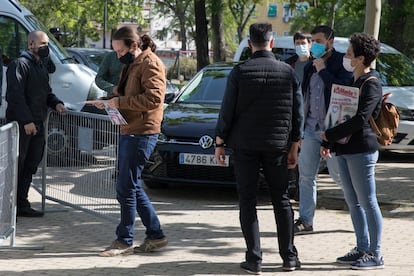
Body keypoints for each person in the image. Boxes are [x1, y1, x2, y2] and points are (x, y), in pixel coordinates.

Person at [215, 22, 303, 274]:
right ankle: (289, 258)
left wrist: (220, 142)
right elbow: (298, 114)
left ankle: (254, 259)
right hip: (277, 145)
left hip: (245, 146)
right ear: (272, 42)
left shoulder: (240, 72)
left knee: (248, 200)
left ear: (250, 44)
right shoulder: (288, 73)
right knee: (281, 199)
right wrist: (295, 145)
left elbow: (227, 110)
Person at [88, 26, 168, 257]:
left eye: (120, 51)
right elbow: (125, 95)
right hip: (130, 129)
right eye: (115, 51)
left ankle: (125, 240)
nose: (118, 56)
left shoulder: (150, 63)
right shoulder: (133, 63)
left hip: (141, 132)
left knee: (126, 188)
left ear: (134, 45)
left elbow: (153, 99)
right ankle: (155, 234)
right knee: (129, 186)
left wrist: (119, 103)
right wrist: (106, 101)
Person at [320, 32, 384, 270]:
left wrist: (329, 136)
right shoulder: (353, 82)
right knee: (353, 201)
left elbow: (360, 120)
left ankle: (375, 253)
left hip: (362, 151)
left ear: (360, 58)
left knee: (367, 201)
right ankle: (362, 247)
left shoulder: (372, 83)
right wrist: (329, 143)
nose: (345, 57)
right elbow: (339, 116)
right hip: (345, 149)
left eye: (349, 53)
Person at [294, 25, 353, 234]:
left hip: (333, 131)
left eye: (318, 40)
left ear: (330, 41)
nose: (315, 45)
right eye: (313, 41)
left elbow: (343, 91)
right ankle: (305, 220)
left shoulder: (340, 63)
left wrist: (324, 71)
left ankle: (359, 214)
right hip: (311, 129)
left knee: (341, 176)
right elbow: (305, 96)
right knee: (306, 175)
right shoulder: (310, 65)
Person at [5, 30, 65, 217]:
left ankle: (21, 204)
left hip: (38, 124)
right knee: (17, 166)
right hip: (22, 127)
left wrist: (56, 102)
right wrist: (26, 121)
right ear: (31, 44)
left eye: (47, 44)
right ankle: (8, 208)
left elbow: (46, 92)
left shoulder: (41, 67)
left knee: (31, 165)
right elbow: (15, 96)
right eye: (43, 44)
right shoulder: (19, 65)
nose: (46, 48)